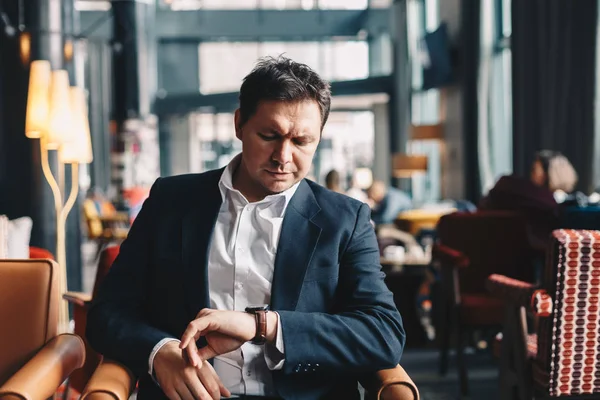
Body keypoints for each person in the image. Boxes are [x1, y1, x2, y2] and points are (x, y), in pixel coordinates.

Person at [87, 56, 405, 400]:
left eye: (302, 142)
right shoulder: (171, 200)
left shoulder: (345, 219)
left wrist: (262, 326)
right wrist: (159, 352)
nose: (283, 157)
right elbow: (108, 312)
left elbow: (383, 333)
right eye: (269, 136)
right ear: (239, 124)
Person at [480, 150, 578, 251]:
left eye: (534, 170)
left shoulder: (545, 201)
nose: (532, 175)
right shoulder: (537, 200)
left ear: (550, 174)